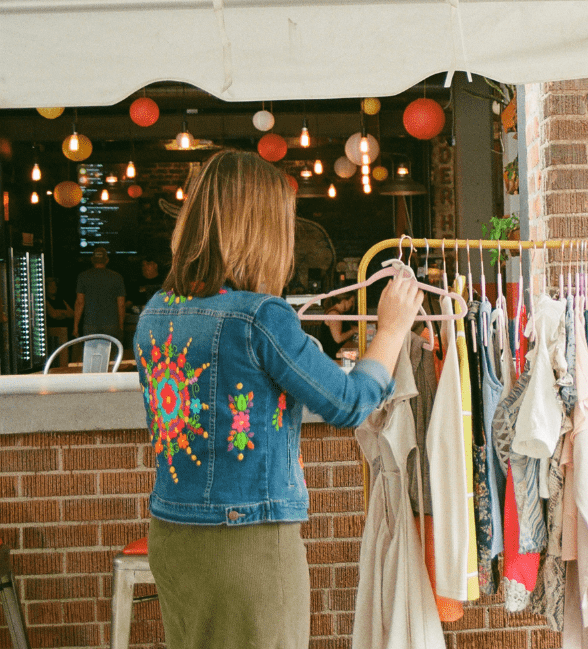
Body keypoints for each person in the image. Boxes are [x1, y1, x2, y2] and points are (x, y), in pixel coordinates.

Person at [133, 149, 422, 649]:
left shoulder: (157, 311)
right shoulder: (260, 317)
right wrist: (391, 330)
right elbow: (350, 403)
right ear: (266, 230)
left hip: (173, 534)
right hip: (249, 544)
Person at [73, 247, 126, 341]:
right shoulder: (117, 277)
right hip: (112, 325)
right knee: (111, 354)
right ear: (107, 260)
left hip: (90, 324)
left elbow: (79, 303)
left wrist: (75, 326)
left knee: (91, 354)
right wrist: (121, 327)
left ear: (92, 260)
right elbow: (121, 305)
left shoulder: (83, 276)